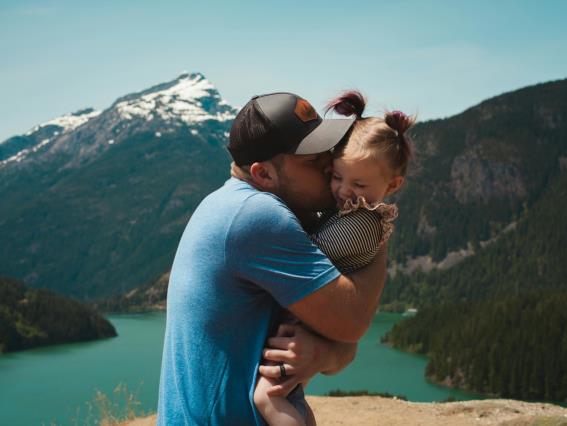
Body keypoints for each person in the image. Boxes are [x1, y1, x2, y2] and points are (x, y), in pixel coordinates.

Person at [157, 92, 389, 425]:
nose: (329, 164)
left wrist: (324, 353)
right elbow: (352, 320)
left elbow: (341, 341)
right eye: (312, 159)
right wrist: (375, 220)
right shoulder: (258, 216)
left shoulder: (229, 203)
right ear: (263, 174)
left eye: (327, 150)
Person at [253, 91, 414, 425]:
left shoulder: (363, 222)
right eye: (336, 176)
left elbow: (312, 250)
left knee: (268, 395)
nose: (342, 190)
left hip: (310, 322)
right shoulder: (355, 211)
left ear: (393, 184)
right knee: (290, 395)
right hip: (314, 319)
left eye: (358, 183)